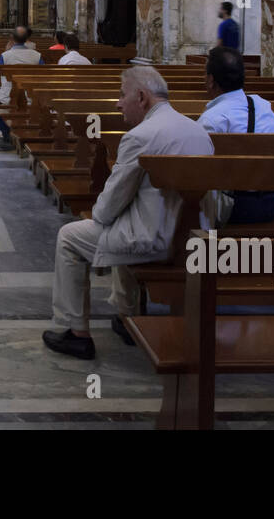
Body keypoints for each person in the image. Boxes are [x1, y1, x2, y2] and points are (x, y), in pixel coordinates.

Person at [43, 66, 214, 359]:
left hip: (155, 241)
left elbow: (109, 206)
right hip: (194, 238)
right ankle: (127, 316)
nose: (118, 103)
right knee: (125, 222)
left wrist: (97, 215)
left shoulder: (140, 136)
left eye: (122, 96)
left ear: (141, 97)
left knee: (69, 237)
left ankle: (75, 332)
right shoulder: (197, 130)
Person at [197, 46, 274, 225]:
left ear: (211, 80)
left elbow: (200, 169)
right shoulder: (265, 108)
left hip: (236, 208)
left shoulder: (211, 119)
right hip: (271, 202)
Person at [0, 25, 42, 139]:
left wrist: (6, 52)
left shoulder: (5, 55)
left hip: (8, 96)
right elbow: (42, 73)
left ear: (13, 39)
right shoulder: (37, 55)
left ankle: (6, 132)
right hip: (30, 96)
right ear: (26, 39)